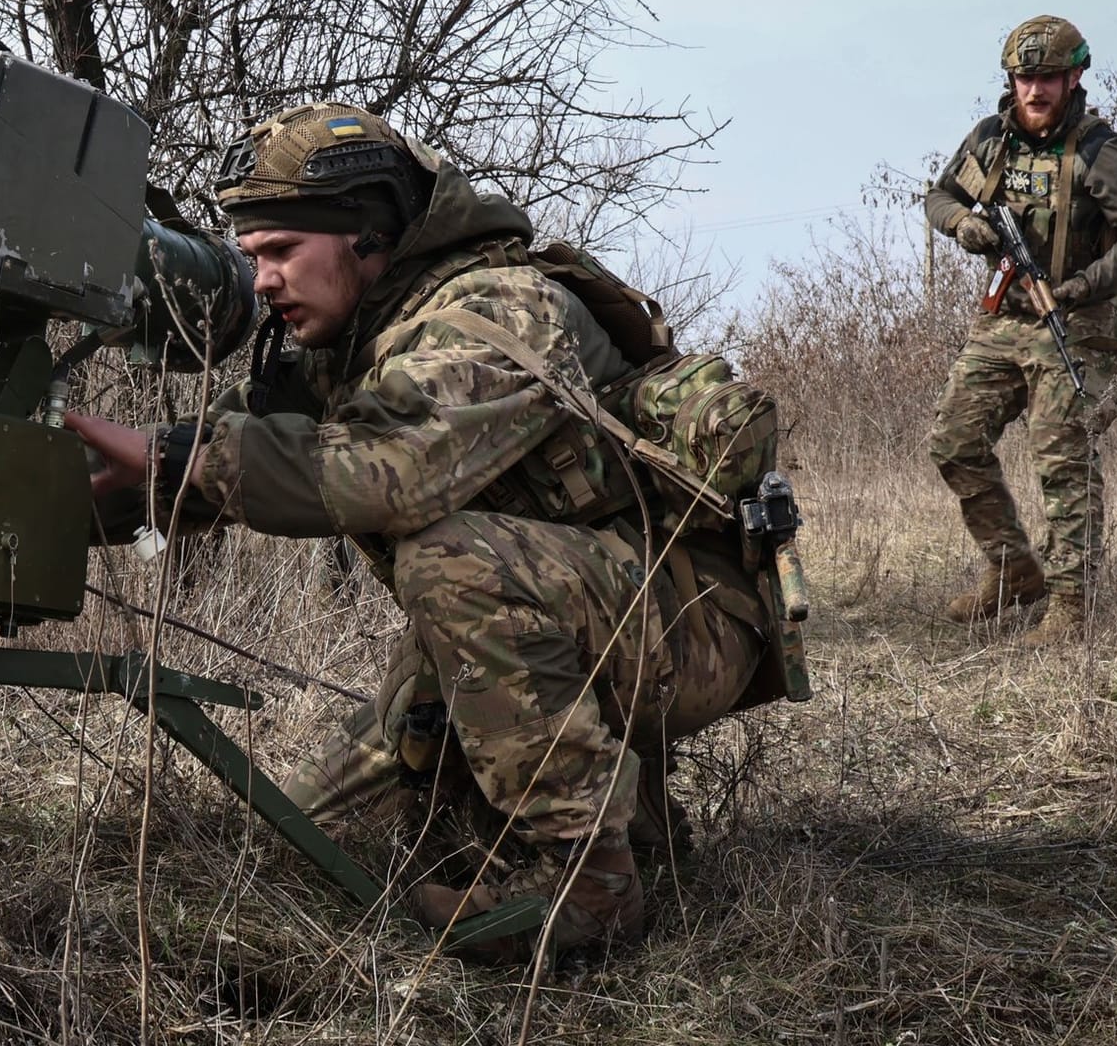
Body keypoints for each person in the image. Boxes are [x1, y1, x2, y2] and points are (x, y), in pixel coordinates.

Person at [67, 103, 777, 957]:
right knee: (306, 844)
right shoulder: (356, 336)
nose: (261, 283)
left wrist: (179, 457)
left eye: (283, 252)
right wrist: (45, 492)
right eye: (253, 258)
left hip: (685, 625)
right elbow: (208, 467)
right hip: (558, 618)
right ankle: (630, 822)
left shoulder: (499, 311)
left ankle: (591, 885)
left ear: (367, 236)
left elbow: (382, 469)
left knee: (450, 561)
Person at [925, 16, 1117, 646]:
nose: (1036, 90)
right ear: (1012, 79)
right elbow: (940, 197)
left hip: (1078, 324)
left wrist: (1085, 284)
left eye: (1049, 78)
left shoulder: (1101, 153)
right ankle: (1011, 571)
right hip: (1003, 320)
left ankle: (1070, 606)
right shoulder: (991, 141)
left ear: (1075, 76)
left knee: (1061, 453)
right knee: (954, 441)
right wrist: (963, 227)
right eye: (1025, 77)